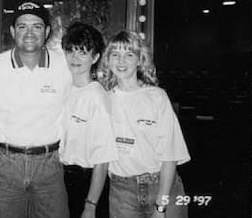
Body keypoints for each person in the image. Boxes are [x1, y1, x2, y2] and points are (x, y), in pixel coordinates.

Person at [0, 1, 72, 218]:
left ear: (47, 31)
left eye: (37, 26)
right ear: (12, 31)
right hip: (5, 164)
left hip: (50, 164)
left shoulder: (66, 65)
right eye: (22, 26)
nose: (29, 32)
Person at [100, 31, 191, 218]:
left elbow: (170, 155)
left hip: (163, 185)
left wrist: (161, 206)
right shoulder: (102, 100)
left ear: (140, 59)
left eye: (129, 54)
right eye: (115, 54)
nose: (121, 61)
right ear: (107, 60)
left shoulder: (157, 97)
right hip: (122, 192)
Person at [60, 22, 118, 218]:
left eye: (83, 52)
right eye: (70, 51)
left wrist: (91, 205)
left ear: (95, 57)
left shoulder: (97, 96)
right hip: (60, 179)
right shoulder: (63, 90)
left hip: (87, 182)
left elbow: (103, 159)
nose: (75, 58)